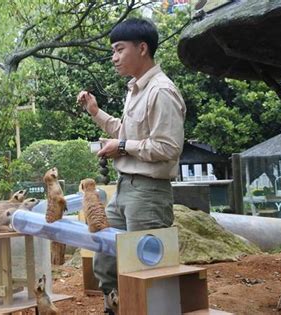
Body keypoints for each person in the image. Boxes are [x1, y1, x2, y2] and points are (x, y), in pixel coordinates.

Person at [77, 18, 186, 314]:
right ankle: (114, 307)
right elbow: (126, 132)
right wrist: (96, 112)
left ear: (142, 48)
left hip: (149, 194)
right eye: (113, 50)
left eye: (118, 49)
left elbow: (167, 147)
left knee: (147, 267)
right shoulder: (135, 90)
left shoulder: (161, 91)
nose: (114, 57)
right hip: (124, 189)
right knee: (106, 252)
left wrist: (122, 147)